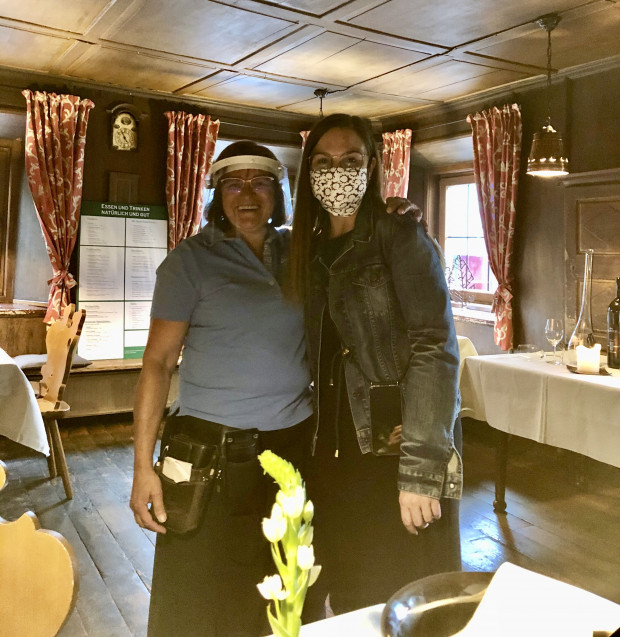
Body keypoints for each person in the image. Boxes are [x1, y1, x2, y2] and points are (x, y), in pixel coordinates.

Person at [130, 141, 315, 637]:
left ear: (278, 193)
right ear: (216, 194)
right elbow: (157, 363)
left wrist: (396, 211)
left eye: (260, 182)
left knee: (281, 587)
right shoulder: (190, 261)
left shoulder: (300, 252)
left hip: (292, 447)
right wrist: (143, 467)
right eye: (234, 183)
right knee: (196, 595)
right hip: (207, 448)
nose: (247, 195)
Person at [288, 113, 462, 616]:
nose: (336, 173)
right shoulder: (309, 250)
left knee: (402, 594)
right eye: (323, 163)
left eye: (349, 161)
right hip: (332, 450)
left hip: (392, 447)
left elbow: (435, 348)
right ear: (308, 174)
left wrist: (420, 471)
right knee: (350, 589)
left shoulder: (399, 236)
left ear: (371, 167)